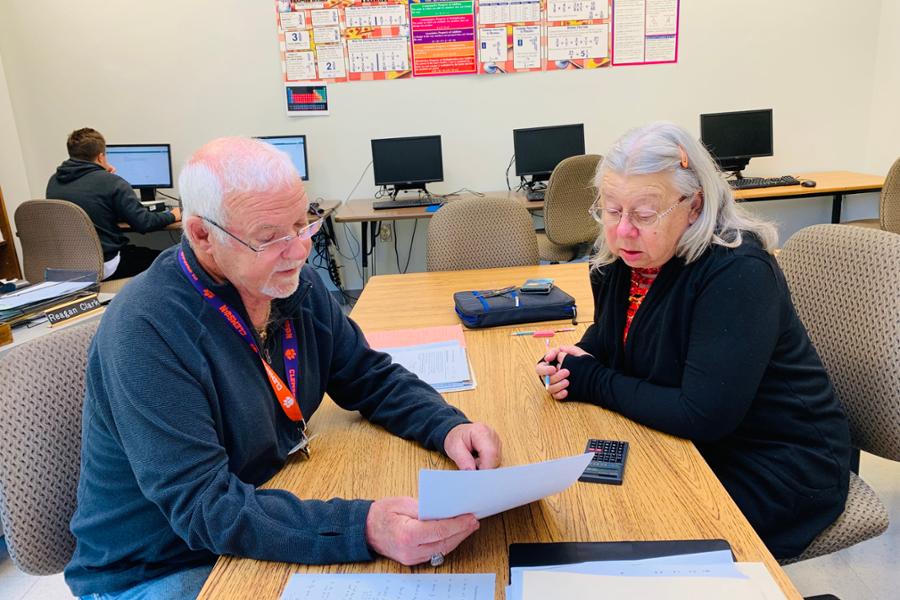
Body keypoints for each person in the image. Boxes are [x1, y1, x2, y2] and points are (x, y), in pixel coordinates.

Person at [65, 137, 502, 599]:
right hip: (160, 565)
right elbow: (204, 507)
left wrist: (448, 426)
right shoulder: (145, 330)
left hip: (252, 511)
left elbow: (368, 377)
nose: (297, 252)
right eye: (269, 237)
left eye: (301, 225)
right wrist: (364, 527)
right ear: (201, 236)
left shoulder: (293, 282)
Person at [537, 122, 850, 560]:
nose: (623, 231)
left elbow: (701, 416)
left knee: (616, 535)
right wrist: (578, 358)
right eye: (610, 210)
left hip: (775, 464)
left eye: (645, 215)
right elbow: (611, 337)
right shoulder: (619, 261)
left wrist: (592, 380)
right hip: (688, 443)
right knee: (572, 510)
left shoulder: (736, 273)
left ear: (695, 206)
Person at [46, 128, 180, 280]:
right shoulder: (111, 183)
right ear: (101, 157)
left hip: (66, 266)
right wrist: (172, 215)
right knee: (171, 261)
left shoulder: (54, 181)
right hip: (105, 265)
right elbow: (144, 223)